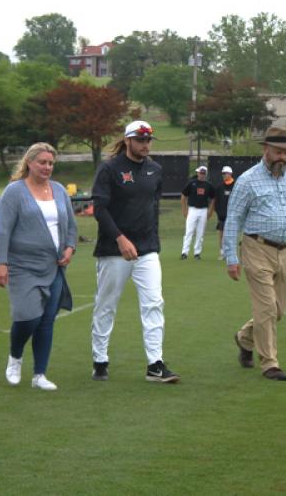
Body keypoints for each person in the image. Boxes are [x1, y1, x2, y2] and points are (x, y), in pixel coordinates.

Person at [90, 120, 179, 383]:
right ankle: (100, 360)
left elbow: (152, 207)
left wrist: (150, 241)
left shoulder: (155, 170)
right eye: (140, 139)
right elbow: (100, 209)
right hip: (113, 249)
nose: (145, 144)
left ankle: (155, 364)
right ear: (127, 140)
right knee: (106, 305)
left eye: (149, 139)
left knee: (154, 303)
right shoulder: (109, 169)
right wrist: (119, 238)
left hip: (147, 250)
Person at [222, 127, 286, 382]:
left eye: (285, 152)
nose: (282, 157)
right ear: (266, 150)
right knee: (266, 308)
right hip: (256, 248)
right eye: (277, 152)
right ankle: (270, 363)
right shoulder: (247, 180)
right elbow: (233, 219)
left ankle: (244, 338)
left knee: (278, 310)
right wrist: (231, 257)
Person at [0, 143, 77, 391]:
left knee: (46, 321)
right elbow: (2, 230)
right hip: (22, 266)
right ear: (29, 163)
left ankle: (39, 374)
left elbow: (71, 226)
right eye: (42, 162)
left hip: (54, 266)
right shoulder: (14, 192)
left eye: (51, 163)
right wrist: (1, 263)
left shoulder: (60, 190)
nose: (47, 167)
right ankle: (15, 357)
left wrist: (70, 248)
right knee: (27, 316)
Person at [180, 165, 215, 260]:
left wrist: (210, 211)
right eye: (201, 173)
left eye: (204, 173)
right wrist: (184, 210)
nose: (202, 175)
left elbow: (213, 198)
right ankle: (184, 252)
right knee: (189, 231)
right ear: (197, 173)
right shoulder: (192, 183)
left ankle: (197, 253)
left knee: (200, 233)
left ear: (206, 174)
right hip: (192, 209)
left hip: (203, 210)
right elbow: (183, 196)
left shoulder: (209, 185)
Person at [211, 166, 235, 260]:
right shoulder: (219, 187)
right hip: (222, 216)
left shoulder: (236, 186)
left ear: (230, 174)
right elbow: (216, 201)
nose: (224, 175)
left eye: (226, 173)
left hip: (233, 216)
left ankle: (231, 253)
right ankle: (222, 252)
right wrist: (218, 211)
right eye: (223, 174)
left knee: (231, 235)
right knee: (221, 235)